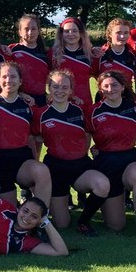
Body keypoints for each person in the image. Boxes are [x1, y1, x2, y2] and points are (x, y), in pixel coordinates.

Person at [32, 68, 111, 236]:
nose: (60, 91)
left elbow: (89, 133)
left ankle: (83, 222)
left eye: (64, 87)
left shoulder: (80, 111)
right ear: (49, 88)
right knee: (62, 224)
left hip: (80, 165)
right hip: (55, 167)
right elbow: (35, 140)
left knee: (102, 185)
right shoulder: (40, 114)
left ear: (71, 90)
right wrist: (35, 163)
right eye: (55, 87)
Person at [88, 70, 136, 241]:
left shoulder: (134, 106)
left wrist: (128, 141)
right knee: (115, 225)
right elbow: (83, 134)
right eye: (106, 86)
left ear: (123, 86)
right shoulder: (93, 111)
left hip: (130, 158)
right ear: (100, 89)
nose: (111, 89)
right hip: (106, 163)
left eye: (115, 85)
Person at [0, 63, 50, 204]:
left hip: (22, 158)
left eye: (13, 76)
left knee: (42, 171)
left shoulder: (29, 105)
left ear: (20, 81)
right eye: (4, 76)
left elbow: (32, 137)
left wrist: (35, 159)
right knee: (9, 211)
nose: (8, 80)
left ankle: (41, 217)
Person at [50, 17, 96, 101]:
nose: (71, 34)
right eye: (67, 31)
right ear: (61, 34)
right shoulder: (53, 54)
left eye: (74, 31)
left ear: (81, 33)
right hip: (60, 101)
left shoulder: (90, 53)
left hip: (84, 101)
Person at [96, 19, 136, 93]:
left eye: (126, 33)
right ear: (110, 34)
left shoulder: (134, 53)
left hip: (127, 98)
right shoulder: (99, 54)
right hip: (105, 97)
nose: (122, 36)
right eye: (118, 32)